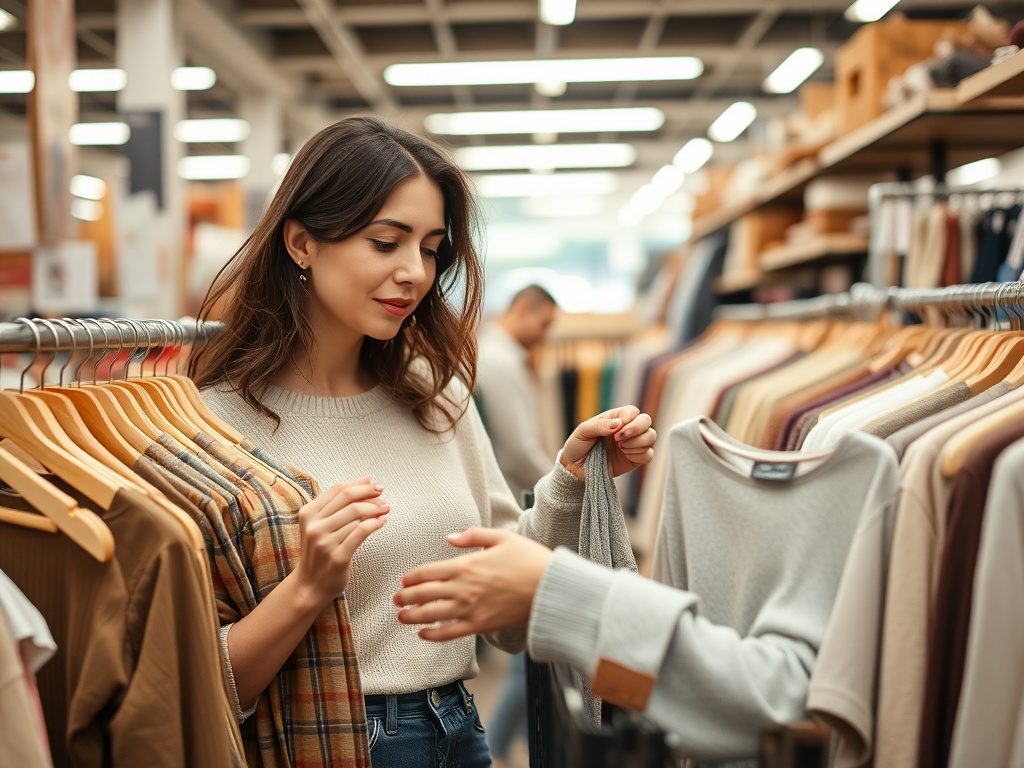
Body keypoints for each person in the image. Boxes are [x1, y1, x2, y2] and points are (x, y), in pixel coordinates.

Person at [189, 115, 656, 768]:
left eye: (432, 248)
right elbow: (196, 688)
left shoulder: (437, 395)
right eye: (386, 242)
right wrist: (307, 587)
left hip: (461, 732)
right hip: (329, 744)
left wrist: (568, 483)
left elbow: (509, 622)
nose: (415, 272)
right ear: (300, 243)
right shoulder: (212, 426)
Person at [475, 285, 558, 763]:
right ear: (522, 309)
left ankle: (506, 741)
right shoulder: (501, 361)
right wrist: (570, 486)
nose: (544, 337)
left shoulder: (497, 355)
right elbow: (520, 451)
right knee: (531, 632)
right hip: (516, 505)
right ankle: (503, 742)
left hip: (515, 501)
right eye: (544, 324)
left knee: (529, 636)